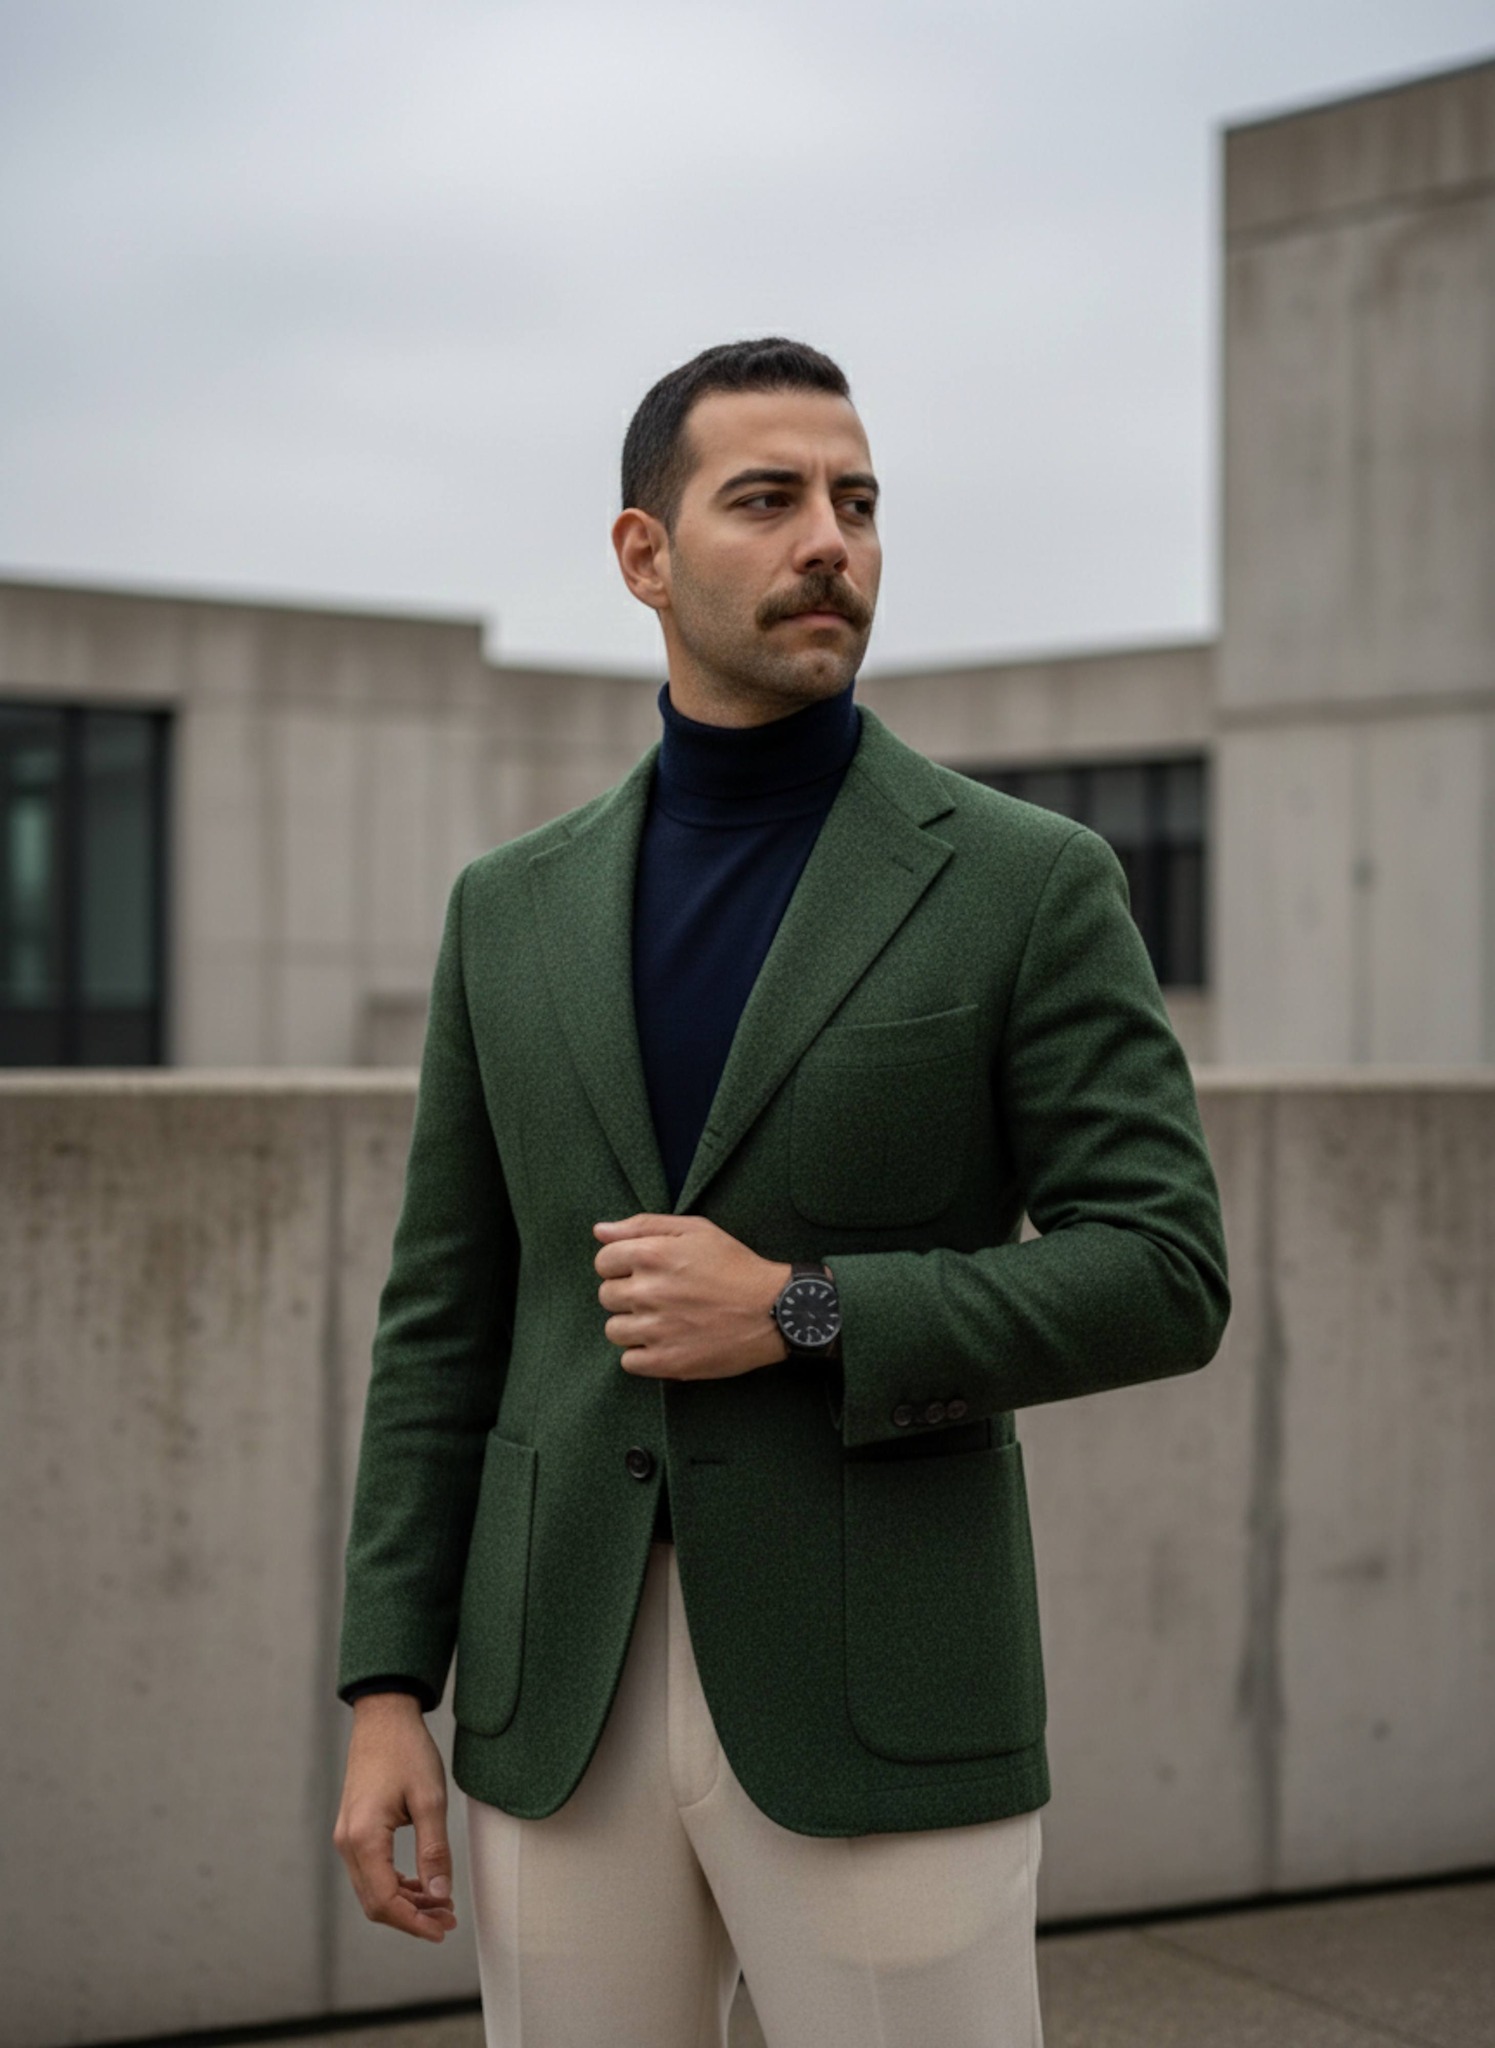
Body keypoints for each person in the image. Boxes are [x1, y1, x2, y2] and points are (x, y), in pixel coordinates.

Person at [332, 337, 1230, 2047]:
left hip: (885, 1692)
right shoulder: (507, 912)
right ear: (642, 557)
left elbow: (1166, 1269)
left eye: (859, 501)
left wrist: (803, 1310)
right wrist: (389, 1685)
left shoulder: (1026, 886)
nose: (833, 538)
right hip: (557, 1696)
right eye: (771, 499)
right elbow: (445, 1318)